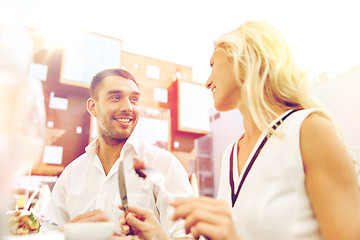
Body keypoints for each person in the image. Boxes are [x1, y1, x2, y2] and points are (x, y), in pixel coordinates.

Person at [125, 21, 360, 240]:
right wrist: (160, 236)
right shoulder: (229, 154)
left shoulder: (309, 129)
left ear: (243, 59)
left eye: (212, 64)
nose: (207, 81)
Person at [44, 69, 194, 239]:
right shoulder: (71, 174)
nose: (128, 107)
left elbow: (187, 234)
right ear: (93, 107)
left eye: (134, 99)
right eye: (115, 97)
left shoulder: (164, 164)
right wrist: (67, 232)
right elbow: (47, 233)